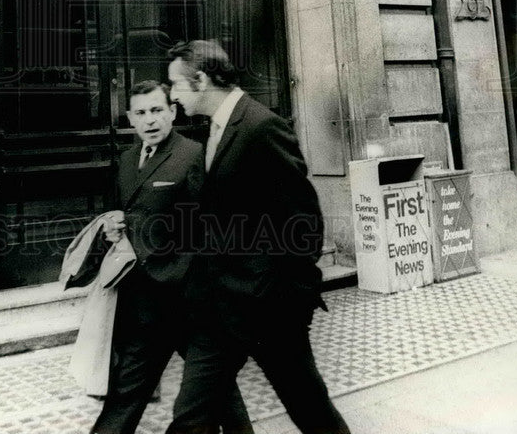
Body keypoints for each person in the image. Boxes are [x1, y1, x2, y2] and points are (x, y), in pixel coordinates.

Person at [165, 41, 352, 434]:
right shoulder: (213, 130)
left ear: (200, 81)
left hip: (270, 310)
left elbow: (304, 223)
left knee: (311, 411)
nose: (173, 96)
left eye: (176, 86)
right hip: (219, 309)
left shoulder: (261, 126)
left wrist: (290, 300)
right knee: (191, 416)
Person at [91, 80, 254, 434]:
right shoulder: (124, 162)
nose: (150, 120)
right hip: (145, 305)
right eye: (141, 113)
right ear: (131, 118)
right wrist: (111, 230)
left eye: (157, 111)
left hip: (192, 300)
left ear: (172, 112)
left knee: (220, 392)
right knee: (125, 395)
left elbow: (216, 229)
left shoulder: (195, 155)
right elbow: (114, 218)